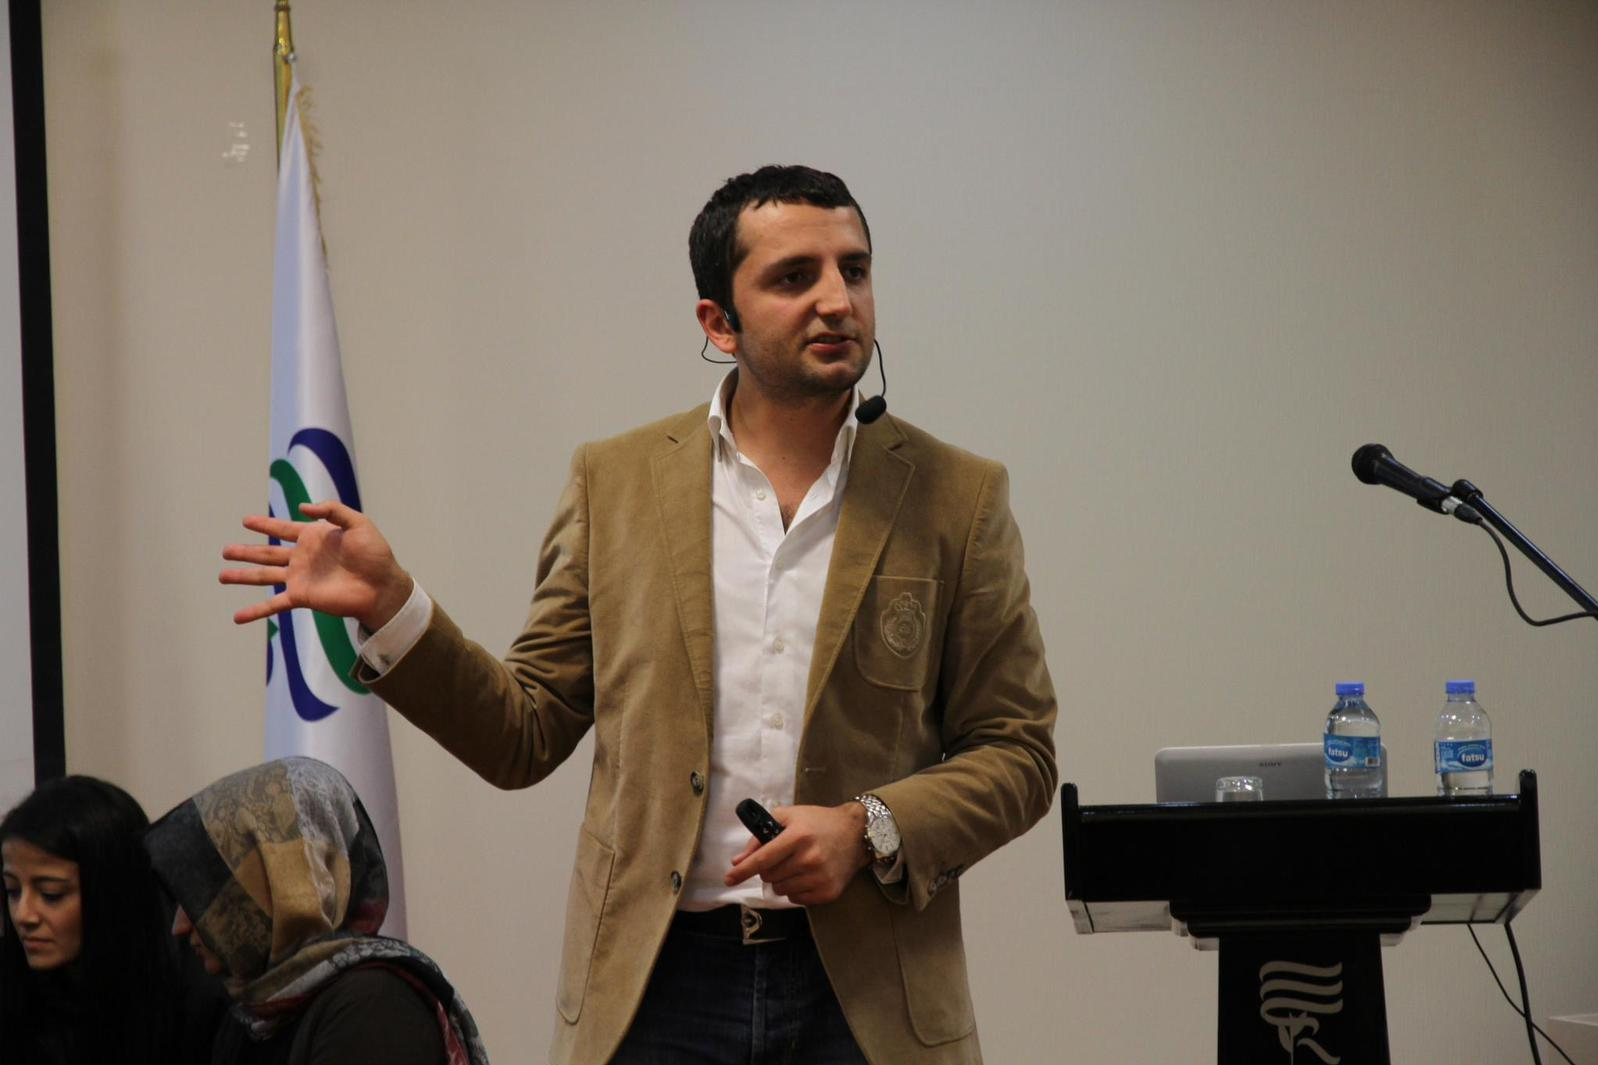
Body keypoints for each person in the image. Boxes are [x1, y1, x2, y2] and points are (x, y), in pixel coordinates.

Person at [220, 164, 1058, 1064]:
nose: (836, 300)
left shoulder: (957, 497)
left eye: (853, 270)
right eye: (794, 277)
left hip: (871, 998)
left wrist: (867, 826)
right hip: (656, 989)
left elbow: (1018, 750)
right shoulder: (615, 483)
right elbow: (523, 732)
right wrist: (396, 607)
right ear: (719, 323)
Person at [143, 756, 490, 1065]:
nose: (180, 926)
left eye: (205, 895)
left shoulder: (373, 1005)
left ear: (279, 885)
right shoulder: (253, 1011)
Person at [1, 775, 218, 1065]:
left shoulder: (196, 995)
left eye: (51, 894)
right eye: (12, 891)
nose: (23, 915)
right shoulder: (13, 987)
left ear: (113, 892)